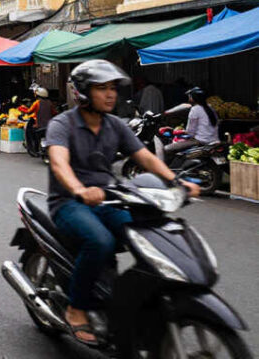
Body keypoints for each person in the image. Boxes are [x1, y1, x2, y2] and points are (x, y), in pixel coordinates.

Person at [46, 60, 200, 345]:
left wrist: (176, 182)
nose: (110, 94)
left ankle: (128, 297)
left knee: (146, 233)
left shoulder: (115, 125)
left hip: (109, 199)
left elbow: (145, 157)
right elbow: (59, 163)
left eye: (113, 88)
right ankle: (76, 307)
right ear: (82, 92)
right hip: (69, 202)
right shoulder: (61, 124)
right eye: (101, 88)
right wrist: (80, 189)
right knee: (100, 241)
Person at [165, 87, 220, 154]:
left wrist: (180, 131)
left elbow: (190, 132)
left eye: (190, 96)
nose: (189, 98)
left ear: (193, 98)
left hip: (202, 141)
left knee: (167, 149)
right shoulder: (210, 107)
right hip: (215, 141)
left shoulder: (195, 109)